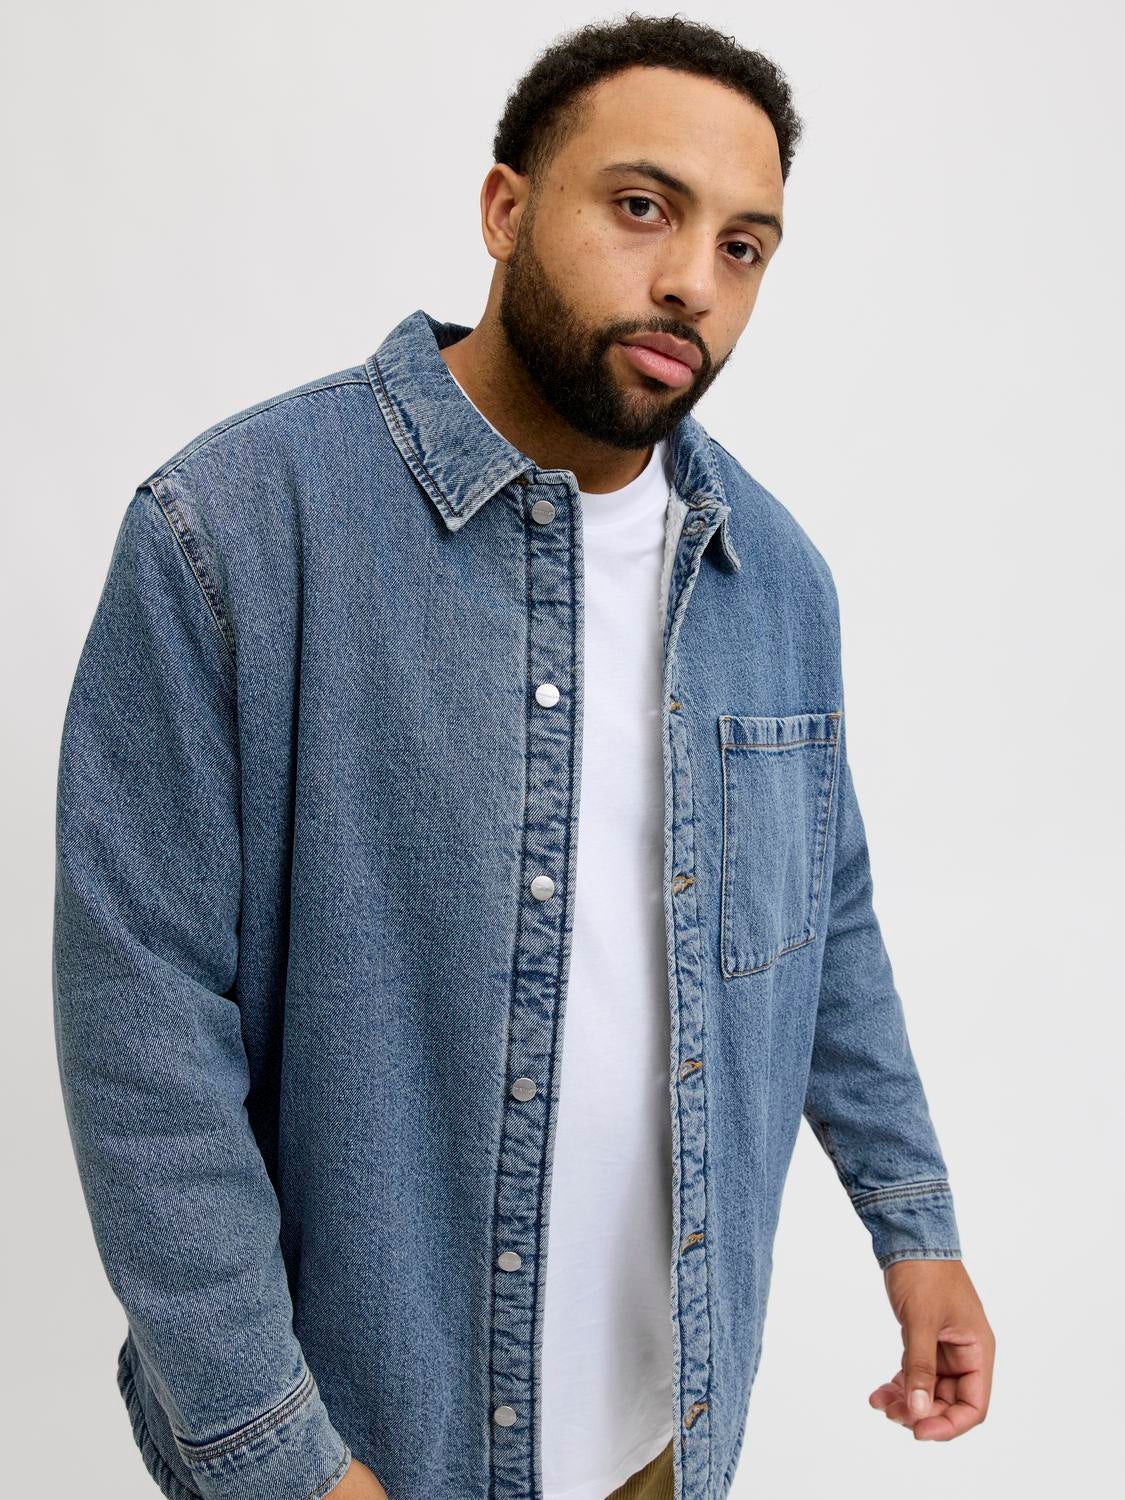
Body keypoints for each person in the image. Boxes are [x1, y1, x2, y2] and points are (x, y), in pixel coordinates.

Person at [51, 15, 994, 1500]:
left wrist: (913, 1223)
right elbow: (142, 1034)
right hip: (366, 1444)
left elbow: (823, 914)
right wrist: (281, 1458)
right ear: (504, 209)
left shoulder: (771, 580)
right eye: (642, 206)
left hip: (664, 1434)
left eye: (743, 246)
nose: (692, 281)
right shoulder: (232, 531)